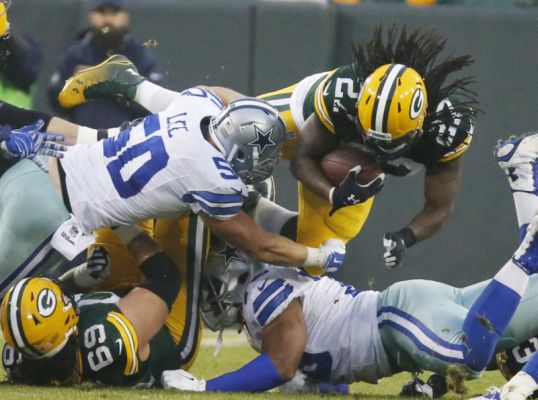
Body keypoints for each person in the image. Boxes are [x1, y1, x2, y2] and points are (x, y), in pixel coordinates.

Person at [57, 26, 478, 270]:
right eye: (369, 131)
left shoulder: (449, 129)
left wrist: (406, 236)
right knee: (232, 130)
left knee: (318, 261)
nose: (371, 142)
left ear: (419, 126)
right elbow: (305, 159)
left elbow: (439, 206)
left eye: (384, 140)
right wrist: (332, 192)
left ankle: (243, 227)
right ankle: (130, 84)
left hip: (354, 166)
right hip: (313, 121)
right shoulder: (342, 93)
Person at [157, 131, 538, 394]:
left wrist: (209, 386)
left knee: (468, 358)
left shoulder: (261, 292)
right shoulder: (272, 284)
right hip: (407, 313)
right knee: (514, 324)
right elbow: (334, 372)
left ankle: (525, 249)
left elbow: (282, 363)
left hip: (396, 323)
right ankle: (523, 177)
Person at [0, 86, 344, 300]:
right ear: (240, 153)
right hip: (52, 213)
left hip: (37, 169)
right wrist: (318, 258)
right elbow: (259, 244)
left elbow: (221, 94)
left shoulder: (194, 107)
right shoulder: (213, 179)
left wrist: (251, 110)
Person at [0, 232, 185, 386]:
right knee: (179, 223)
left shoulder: (26, 351)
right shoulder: (107, 337)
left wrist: (84, 276)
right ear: (65, 322)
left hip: (124, 299)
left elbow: (65, 294)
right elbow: (166, 277)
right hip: (169, 332)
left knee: (111, 225)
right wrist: (121, 225)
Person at [48, 0, 163, 129]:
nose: (108, 19)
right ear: (91, 16)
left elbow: (155, 105)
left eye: (114, 13)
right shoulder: (76, 54)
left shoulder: (139, 55)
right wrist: (75, 86)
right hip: (83, 140)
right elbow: (55, 101)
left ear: (125, 17)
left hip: (126, 142)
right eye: (102, 12)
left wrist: (117, 84)